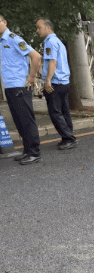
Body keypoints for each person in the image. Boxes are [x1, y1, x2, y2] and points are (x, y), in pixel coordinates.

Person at [0, 13, 42, 165]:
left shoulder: (13, 38)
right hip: (10, 86)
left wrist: (31, 77)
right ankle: (27, 150)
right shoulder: (1, 41)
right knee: (19, 121)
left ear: (4, 22)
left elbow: (36, 57)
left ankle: (34, 153)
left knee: (26, 120)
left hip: (19, 86)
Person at [35, 18, 77, 151]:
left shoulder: (50, 42)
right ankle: (68, 137)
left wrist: (48, 80)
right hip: (63, 82)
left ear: (47, 28)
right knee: (64, 111)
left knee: (55, 112)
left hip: (55, 82)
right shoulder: (57, 41)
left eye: (39, 27)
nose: (37, 31)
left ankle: (69, 138)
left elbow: (52, 62)